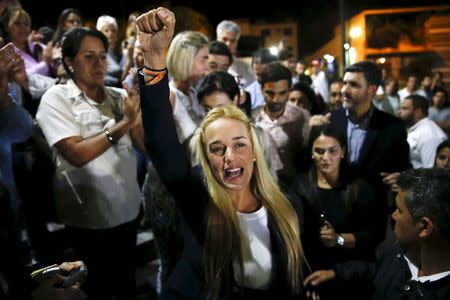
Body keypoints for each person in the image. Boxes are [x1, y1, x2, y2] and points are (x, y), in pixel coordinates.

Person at [136, 8, 308, 299]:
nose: (229, 156)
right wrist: (154, 61)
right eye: (217, 148)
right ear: (205, 157)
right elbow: (162, 145)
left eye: (239, 144)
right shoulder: (199, 200)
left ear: (255, 150)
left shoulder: (288, 206)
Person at [36, 27, 145, 300]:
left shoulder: (118, 97)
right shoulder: (56, 99)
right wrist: (124, 124)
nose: (99, 64)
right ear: (70, 62)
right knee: (95, 291)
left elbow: (145, 146)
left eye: (102, 56)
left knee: (126, 286)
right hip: (88, 223)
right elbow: (75, 153)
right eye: (89, 57)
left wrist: (142, 105)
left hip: (127, 213)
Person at [303, 168, 450, 300]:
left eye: (399, 210)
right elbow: (376, 270)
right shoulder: (401, 255)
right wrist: (336, 273)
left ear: (424, 227)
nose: (393, 215)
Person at [290, 124, 385, 298]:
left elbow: (375, 234)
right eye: (319, 151)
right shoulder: (300, 187)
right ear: (311, 153)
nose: (326, 157)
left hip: (350, 273)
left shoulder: (359, 187)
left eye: (332, 151)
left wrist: (340, 239)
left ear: (343, 151)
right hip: (310, 270)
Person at [252, 62, 310, 188]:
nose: (276, 99)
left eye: (282, 93)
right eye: (270, 93)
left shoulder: (301, 117)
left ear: (289, 90)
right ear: (261, 89)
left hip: (293, 189)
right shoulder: (252, 118)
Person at [167, 30, 209, 143]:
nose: (207, 67)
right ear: (185, 60)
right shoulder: (169, 98)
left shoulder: (195, 93)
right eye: (203, 59)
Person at [6, 7, 60, 77]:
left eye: (26, 24)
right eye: (17, 23)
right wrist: (45, 62)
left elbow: (57, 67)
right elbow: (24, 77)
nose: (23, 28)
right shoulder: (7, 54)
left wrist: (56, 60)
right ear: (7, 28)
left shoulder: (38, 46)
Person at [398, 94, 447, 169]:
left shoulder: (429, 135)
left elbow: (430, 172)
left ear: (417, 112)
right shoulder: (418, 128)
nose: (399, 112)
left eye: (404, 108)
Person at [216, 20, 256, 88]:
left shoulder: (245, 68)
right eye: (224, 39)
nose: (228, 44)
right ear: (217, 39)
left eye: (232, 41)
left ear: (236, 43)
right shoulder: (206, 65)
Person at [97, 15, 123, 87]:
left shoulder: (120, 52)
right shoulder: (97, 52)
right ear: (99, 33)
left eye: (113, 30)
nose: (110, 33)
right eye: (106, 30)